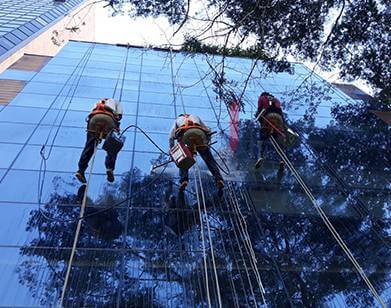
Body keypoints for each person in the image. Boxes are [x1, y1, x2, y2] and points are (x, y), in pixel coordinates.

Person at [169, 114, 224, 191]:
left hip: (186, 136)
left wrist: (172, 153)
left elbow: (171, 137)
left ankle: (183, 180)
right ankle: (218, 179)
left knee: (183, 159)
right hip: (199, 134)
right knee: (209, 159)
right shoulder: (196, 116)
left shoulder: (178, 120)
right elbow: (207, 130)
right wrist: (206, 143)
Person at [75, 98, 124, 183]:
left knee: (89, 146)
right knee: (113, 145)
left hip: (94, 119)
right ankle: (110, 168)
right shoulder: (116, 102)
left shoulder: (98, 102)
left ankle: (80, 170)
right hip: (109, 119)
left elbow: (92, 111)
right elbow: (119, 116)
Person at [254, 92, 286, 172]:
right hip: (278, 120)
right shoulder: (275, 100)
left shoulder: (262, 98)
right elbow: (280, 111)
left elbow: (259, 110)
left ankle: (260, 156)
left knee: (262, 139)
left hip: (268, 119)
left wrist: (258, 116)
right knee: (278, 142)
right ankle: (282, 159)